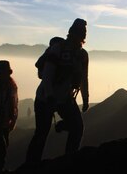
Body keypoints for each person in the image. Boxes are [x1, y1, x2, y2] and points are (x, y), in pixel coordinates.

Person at [25, 18, 90, 164]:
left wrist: (85, 98)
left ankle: (35, 164)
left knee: (45, 132)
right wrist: (50, 96)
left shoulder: (74, 53)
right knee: (45, 133)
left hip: (53, 97)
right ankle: (33, 165)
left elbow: (82, 79)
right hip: (50, 98)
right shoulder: (68, 51)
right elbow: (48, 74)